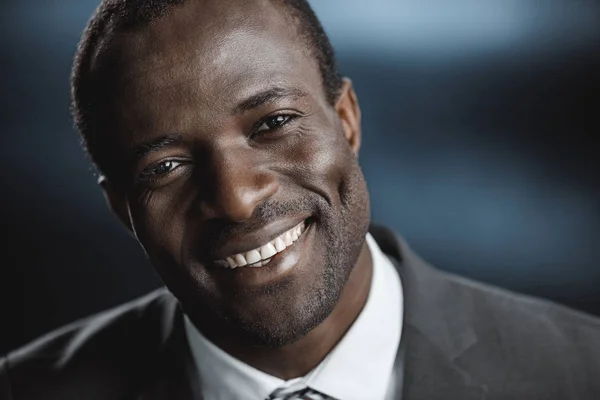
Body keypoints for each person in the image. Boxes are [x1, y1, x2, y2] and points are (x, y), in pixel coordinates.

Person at [1, 0, 599, 398]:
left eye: (272, 122)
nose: (236, 198)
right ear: (122, 211)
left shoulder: (579, 371)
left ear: (347, 120)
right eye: (167, 166)